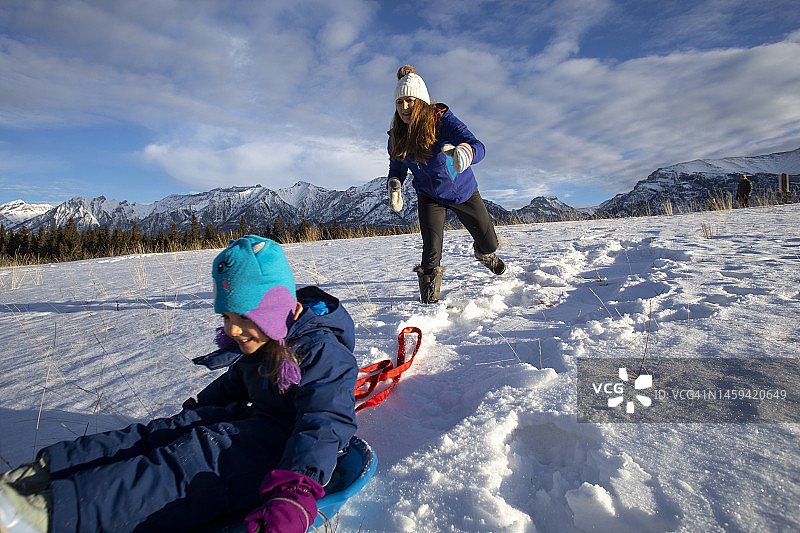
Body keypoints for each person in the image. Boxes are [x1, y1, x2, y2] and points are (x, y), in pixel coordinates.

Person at [0, 236, 358, 533]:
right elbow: (236, 382)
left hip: (286, 450)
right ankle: (47, 471)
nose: (232, 330)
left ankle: (50, 513)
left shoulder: (322, 354)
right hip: (255, 420)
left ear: (272, 309)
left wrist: (295, 490)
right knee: (162, 433)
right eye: (227, 317)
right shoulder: (266, 338)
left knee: (191, 462)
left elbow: (325, 423)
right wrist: (197, 412)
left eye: (243, 317)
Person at [386, 65, 506, 304]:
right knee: (431, 253)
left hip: (463, 192)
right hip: (429, 196)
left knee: (490, 242)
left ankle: (483, 253)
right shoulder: (396, 136)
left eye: (409, 100)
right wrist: (395, 182)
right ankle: (429, 303)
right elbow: (397, 165)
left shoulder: (442, 121)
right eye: (399, 102)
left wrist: (465, 152)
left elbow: (477, 145)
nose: (404, 108)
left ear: (420, 101)